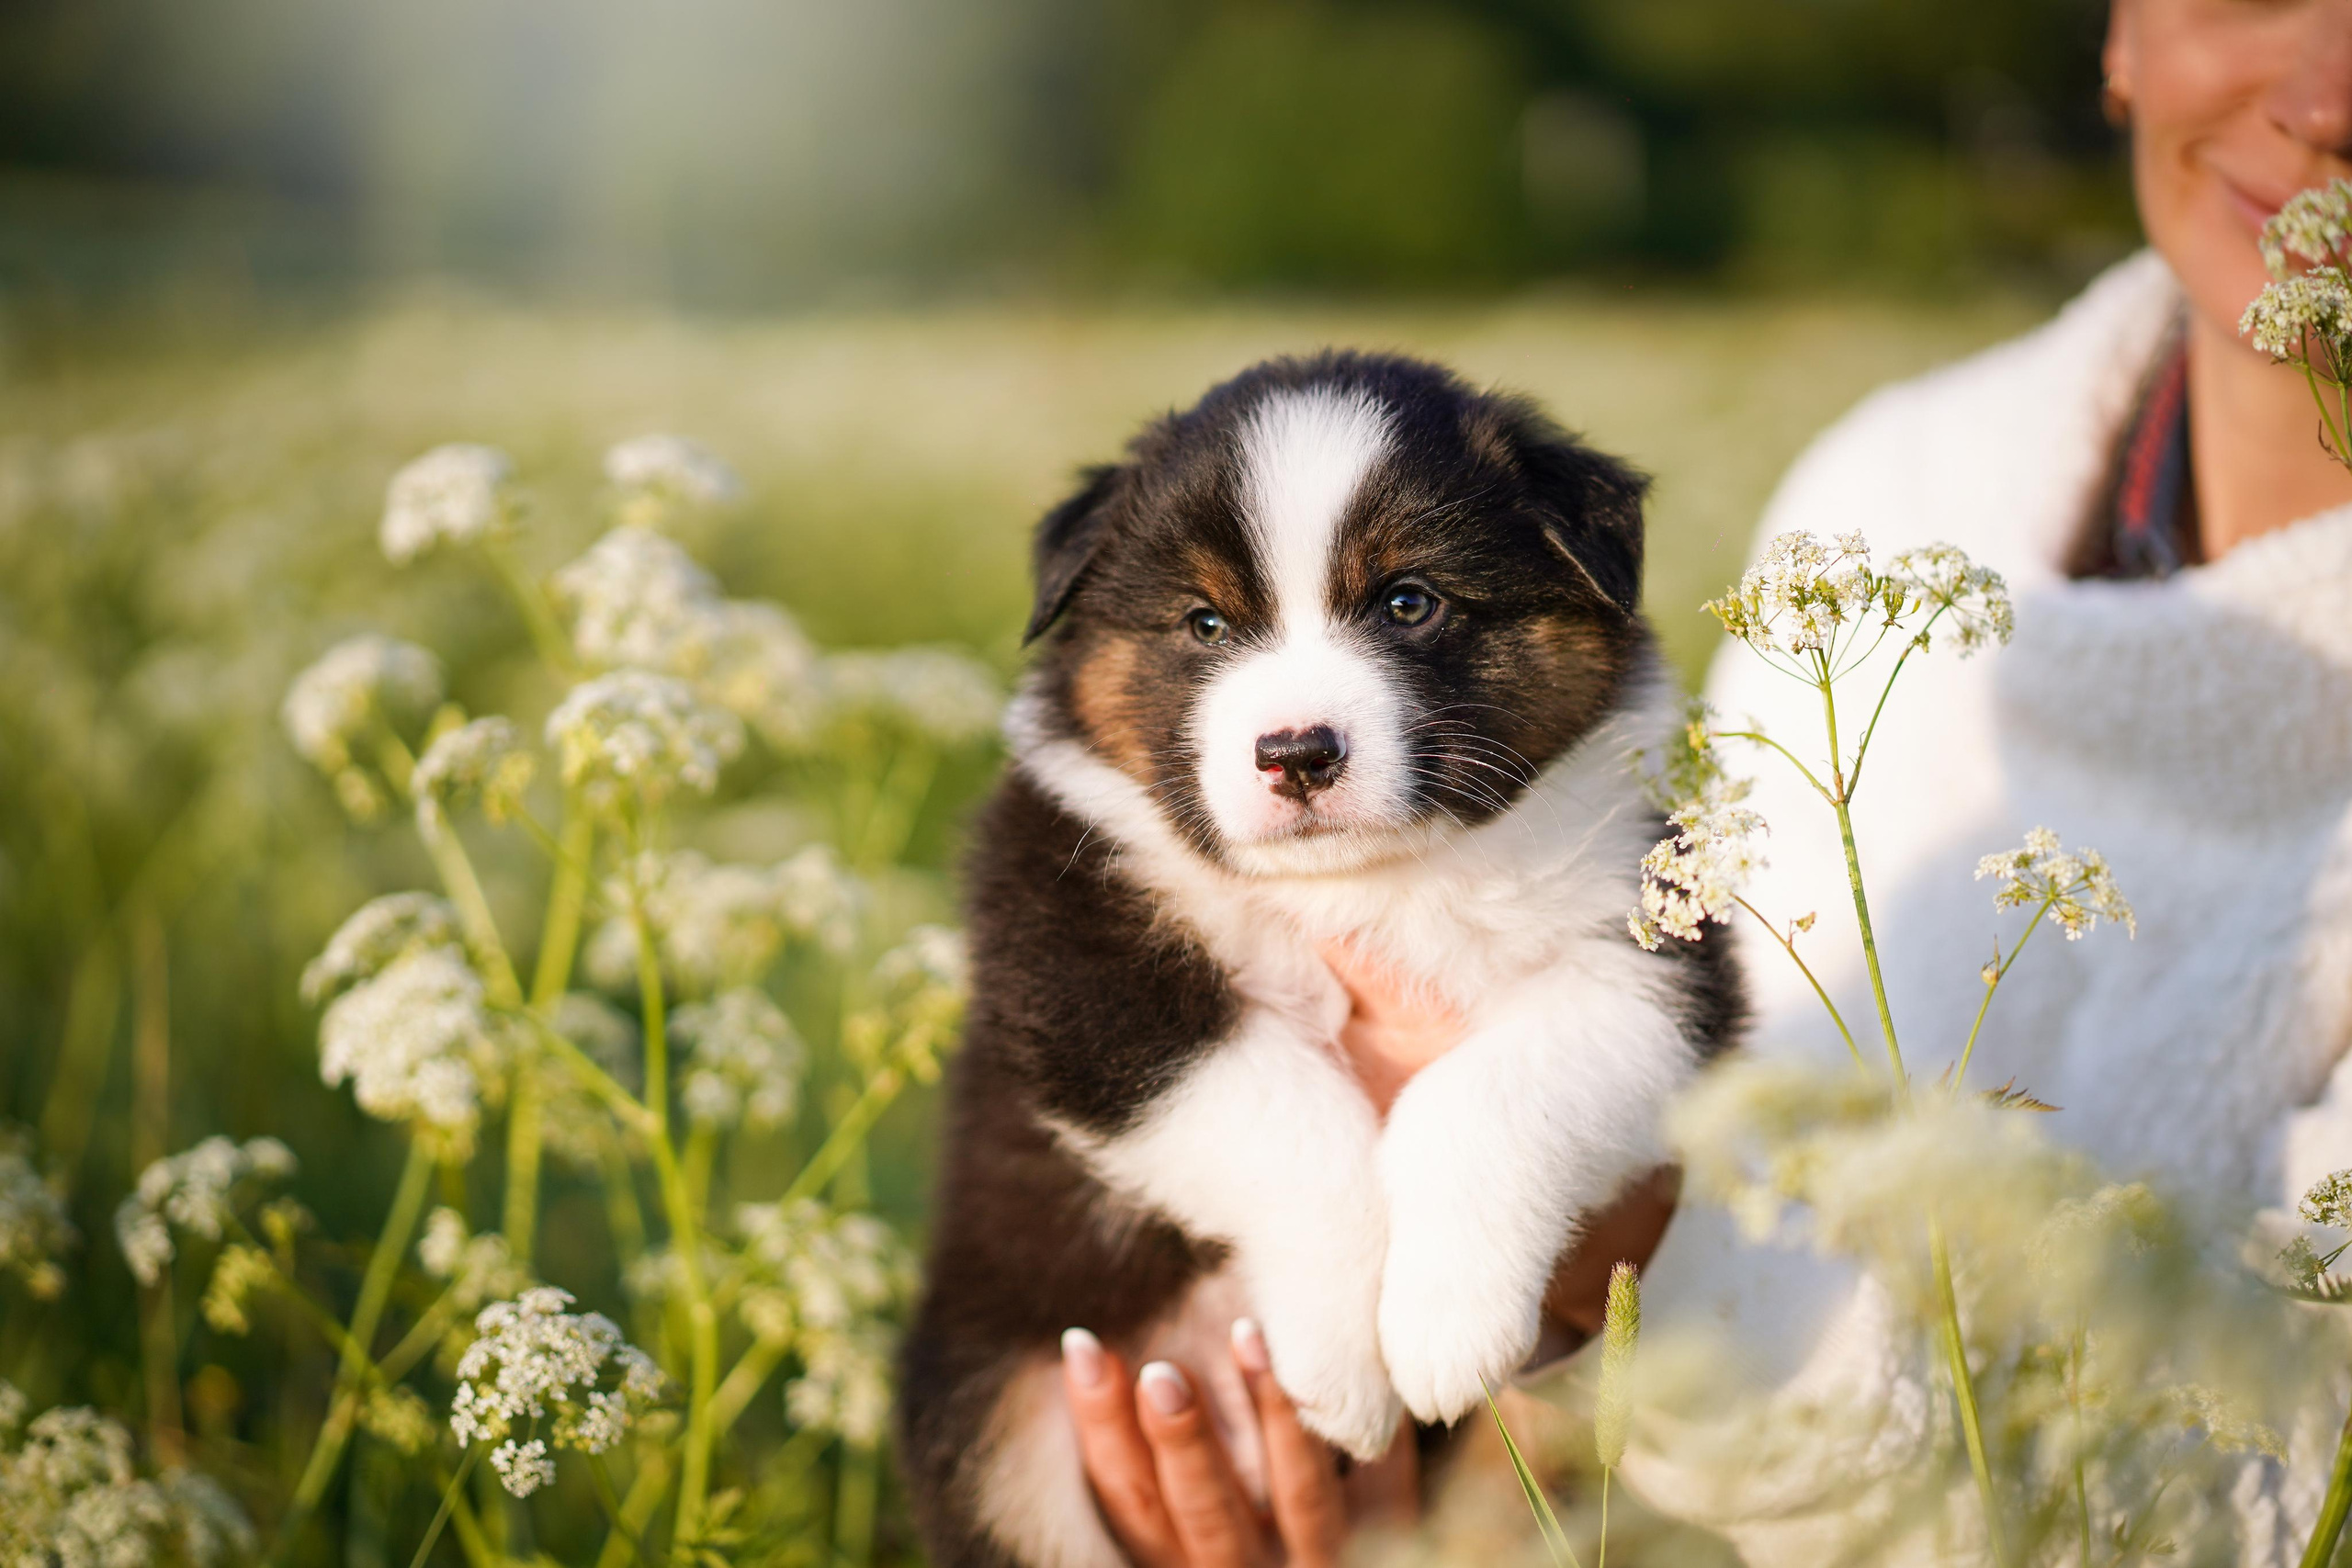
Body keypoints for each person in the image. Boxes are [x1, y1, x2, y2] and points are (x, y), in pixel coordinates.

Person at [1058, 0, 2352, 1558]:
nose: (2328, 95)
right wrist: (1432, 1497)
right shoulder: (1901, 491)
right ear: (2124, 34)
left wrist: (1611, 1247)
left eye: (1402, 606)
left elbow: (2272, 1492)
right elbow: (1696, 1041)